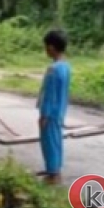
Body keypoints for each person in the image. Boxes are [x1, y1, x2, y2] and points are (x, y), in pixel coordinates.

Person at [36, 29, 71, 185]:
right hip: (59, 112)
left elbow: (49, 96)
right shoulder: (65, 67)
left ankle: (52, 173)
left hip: (50, 114)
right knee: (56, 140)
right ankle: (55, 169)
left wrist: (44, 115)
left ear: (51, 47)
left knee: (48, 142)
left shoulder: (53, 70)